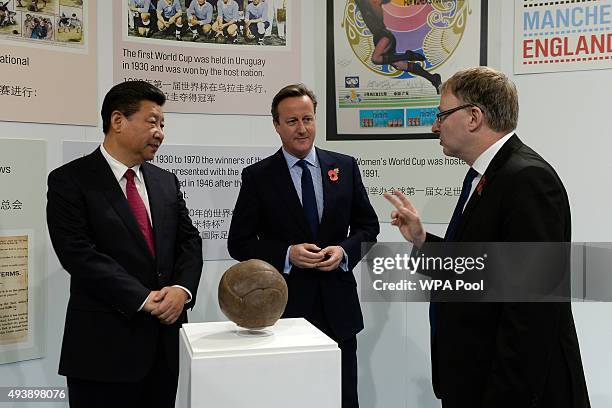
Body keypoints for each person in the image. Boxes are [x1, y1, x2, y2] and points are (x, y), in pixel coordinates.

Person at [384, 67, 590, 408]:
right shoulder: (483, 177)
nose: (435, 126)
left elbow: (531, 310)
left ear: (474, 117)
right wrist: (424, 242)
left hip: (507, 390)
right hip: (475, 379)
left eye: (441, 115)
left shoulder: (527, 180)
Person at [47, 81, 203, 408]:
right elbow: (77, 253)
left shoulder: (165, 181)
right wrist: (143, 298)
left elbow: (189, 241)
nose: (160, 132)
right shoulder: (70, 180)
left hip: (164, 345)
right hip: (103, 350)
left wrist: (181, 290)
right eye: (152, 121)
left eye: (163, 125)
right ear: (118, 121)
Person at [227, 83, 379, 408]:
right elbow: (239, 243)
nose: (302, 128)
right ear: (277, 125)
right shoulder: (258, 177)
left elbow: (369, 228)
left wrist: (343, 252)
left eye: (308, 119)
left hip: (338, 309)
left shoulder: (345, 166)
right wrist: (286, 254)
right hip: (283, 311)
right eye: (292, 121)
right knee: (290, 397)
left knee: (342, 398)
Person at [353, 0, 441, 93]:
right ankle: (433, 78)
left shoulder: (373, 3)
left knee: (376, 59)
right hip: (378, 37)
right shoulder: (366, 4)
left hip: (384, 37)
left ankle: (409, 56)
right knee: (400, 65)